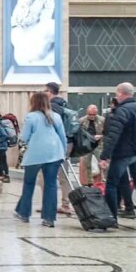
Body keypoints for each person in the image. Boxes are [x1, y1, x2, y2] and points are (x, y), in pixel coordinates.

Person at [14, 92, 68, 228]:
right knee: (51, 185)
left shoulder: (31, 117)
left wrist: (22, 142)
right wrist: (63, 152)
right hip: (54, 153)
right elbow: (62, 136)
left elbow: (24, 137)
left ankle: (24, 214)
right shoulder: (56, 116)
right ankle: (49, 218)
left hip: (35, 154)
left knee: (29, 183)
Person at [99, 82, 136, 221]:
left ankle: (112, 217)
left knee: (112, 183)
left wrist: (104, 156)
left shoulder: (122, 111)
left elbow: (113, 135)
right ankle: (127, 209)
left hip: (124, 153)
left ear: (120, 93)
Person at [43, 82, 73, 215]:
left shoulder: (52, 107)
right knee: (64, 175)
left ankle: (49, 205)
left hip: (54, 144)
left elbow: (50, 128)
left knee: (44, 176)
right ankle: (65, 204)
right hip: (68, 143)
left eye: (45, 91)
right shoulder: (65, 104)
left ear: (49, 92)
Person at [79, 105, 105, 185]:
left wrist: (101, 136)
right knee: (86, 164)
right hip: (87, 145)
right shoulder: (82, 120)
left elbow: (108, 132)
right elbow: (78, 134)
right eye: (90, 114)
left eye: (94, 114)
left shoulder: (102, 120)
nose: (92, 116)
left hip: (99, 144)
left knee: (103, 163)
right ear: (87, 113)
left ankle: (103, 180)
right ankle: (89, 183)